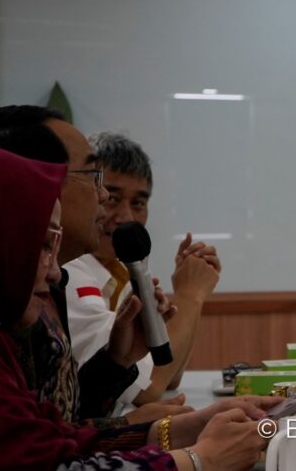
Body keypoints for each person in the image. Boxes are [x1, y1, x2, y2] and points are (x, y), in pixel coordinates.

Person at [0, 144, 276, 471]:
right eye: (43, 244)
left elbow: (51, 437)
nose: (53, 273)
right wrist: (201, 462)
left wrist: (173, 432)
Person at [0, 106, 183, 425]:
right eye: (93, 177)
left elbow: (60, 421)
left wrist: (116, 362)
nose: (102, 195)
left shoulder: (48, 284)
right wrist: (188, 458)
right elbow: (28, 460)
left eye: (138, 202)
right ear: (36, 183)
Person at [68, 132, 220, 409]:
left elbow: (169, 374)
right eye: (111, 198)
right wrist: (190, 295)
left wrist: (188, 289)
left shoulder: (121, 272)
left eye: (138, 203)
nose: (126, 217)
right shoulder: (70, 270)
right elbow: (148, 388)